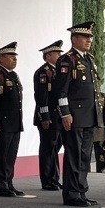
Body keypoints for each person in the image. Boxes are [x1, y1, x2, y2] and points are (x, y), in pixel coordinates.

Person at [53, 21, 102, 207]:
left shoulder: (88, 59)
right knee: (74, 155)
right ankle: (72, 193)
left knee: (84, 156)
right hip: (74, 116)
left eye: (90, 37)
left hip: (89, 116)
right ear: (74, 39)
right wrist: (65, 113)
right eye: (85, 37)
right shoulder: (67, 60)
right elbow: (61, 91)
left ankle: (81, 191)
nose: (89, 40)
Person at [0, 42, 24, 197]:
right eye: (11, 56)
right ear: (1, 59)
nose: (15, 59)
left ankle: (9, 182)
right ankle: (1, 184)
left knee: (11, 155)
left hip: (15, 123)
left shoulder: (14, 76)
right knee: (2, 155)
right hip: (2, 123)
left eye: (15, 56)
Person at [33, 40, 64, 190]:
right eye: (57, 53)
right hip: (48, 117)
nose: (59, 56)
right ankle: (47, 180)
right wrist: (45, 116)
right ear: (48, 56)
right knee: (47, 148)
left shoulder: (58, 71)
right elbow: (41, 96)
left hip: (58, 117)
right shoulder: (43, 72)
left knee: (54, 148)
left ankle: (54, 178)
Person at [91, 91, 105, 173]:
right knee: (85, 159)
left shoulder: (102, 96)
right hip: (88, 132)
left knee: (101, 158)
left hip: (100, 132)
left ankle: (100, 175)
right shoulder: (86, 96)